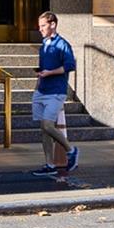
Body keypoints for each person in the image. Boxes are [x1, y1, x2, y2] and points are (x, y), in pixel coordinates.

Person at [29, 10, 79, 183]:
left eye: (43, 25)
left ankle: (71, 150)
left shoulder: (62, 44)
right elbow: (43, 68)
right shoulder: (45, 44)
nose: (40, 29)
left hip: (56, 92)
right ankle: (49, 164)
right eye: (39, 26)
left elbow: (69, 65)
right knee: (43, 130)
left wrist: (50, 73)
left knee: (47, 125)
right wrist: (37, 87)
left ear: (53, 24)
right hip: (42, 90)